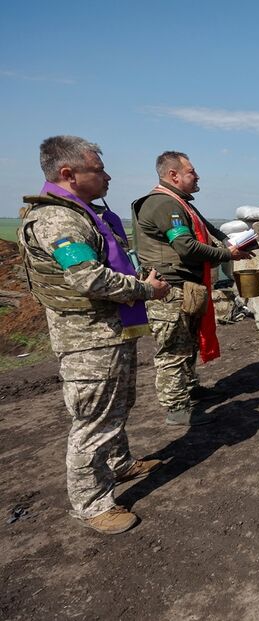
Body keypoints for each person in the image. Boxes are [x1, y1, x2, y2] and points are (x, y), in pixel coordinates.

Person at [18, 136, 170, 534]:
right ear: (68, 174)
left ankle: (119, 465)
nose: (107, 176)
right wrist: (146, 291)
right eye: (98, 169)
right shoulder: (58, 220)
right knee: (94, 420)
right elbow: (88, 278)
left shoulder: (83, 213)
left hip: (110, 331)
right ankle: (91, 503)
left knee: (116, 407)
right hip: (88, 341)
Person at [132, 151, 252, 426]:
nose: (197, 176)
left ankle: (189, 387)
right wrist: (227, 255)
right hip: (170, 288)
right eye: (191, 172)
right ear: (173, 175)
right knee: (174, 348)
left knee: (188, 342)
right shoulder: (164, 204)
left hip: (187, 286)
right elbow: (185, 246)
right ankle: (175, 407)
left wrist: (230, 241)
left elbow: (209, 229)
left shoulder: (181, 203)